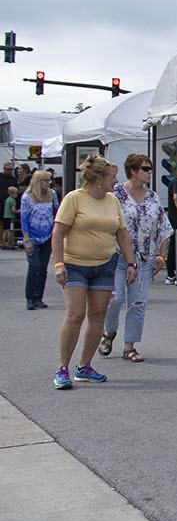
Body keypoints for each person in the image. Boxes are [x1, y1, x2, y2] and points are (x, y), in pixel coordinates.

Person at [50, 155, 139, 390]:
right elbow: (58, 233)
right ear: (99, 179)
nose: (116, 180)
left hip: (104, 265)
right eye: (112, 176)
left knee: (98, 314)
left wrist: (131, 263)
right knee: (76, 314)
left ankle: (84, 366)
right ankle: (62, 368)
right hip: (75, 264)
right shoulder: (74, 199)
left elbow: (122, 234)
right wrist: (59, 264)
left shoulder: (112, 201)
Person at [100, 154, 172, 363]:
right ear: (132, 171)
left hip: (144, 258)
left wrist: (161, 256)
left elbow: (163, 226)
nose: (149, 172)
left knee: (138, 302)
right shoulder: (115, 194)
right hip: (118, 256)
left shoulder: (152, 197)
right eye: (145, 168)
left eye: (149, 168)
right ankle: (109, 332)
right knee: (115, 298)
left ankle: (129, 346)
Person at [21, 170, 58, 310]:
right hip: (32, 237)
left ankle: (38, 297)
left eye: (49, 180)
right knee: (34, 266)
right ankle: (30, 297)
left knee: (43, 268)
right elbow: (24, 219)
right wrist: (27, 239)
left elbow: (56, 213)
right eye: (45, 180)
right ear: (38, 181)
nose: (48, 183)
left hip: (47, 237)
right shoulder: (27, 197)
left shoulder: (52, 195)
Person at [2, 185, 17, 250]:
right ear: (11, 193)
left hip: (5, 216)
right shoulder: (13, 200)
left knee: (5, 230)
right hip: (10, 217)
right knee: (10, 231)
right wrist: (18, 211)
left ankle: (3, 243)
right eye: (16, 193)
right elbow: (13, 210)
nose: (16, 195)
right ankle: (9, 244)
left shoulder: (7, 200)